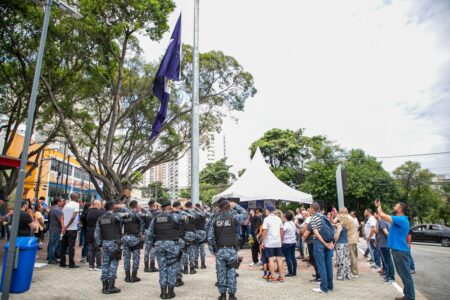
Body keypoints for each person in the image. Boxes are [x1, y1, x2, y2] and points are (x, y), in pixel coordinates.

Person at [207, 198, 248, 300]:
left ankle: (222, 295)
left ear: (219, 208)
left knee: (221, 273)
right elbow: (245, 214)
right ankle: (232, 296)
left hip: (220, 250)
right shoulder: (234, 217)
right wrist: (236, 206)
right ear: (229, 207)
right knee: (231, 273)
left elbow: (210, 237)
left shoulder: (215, 219)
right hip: (232, 250)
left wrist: (213, 251)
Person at [375, 199, 415, 300]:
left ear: (400, 209)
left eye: (395, 206)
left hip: (400, 251)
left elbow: (383, 215)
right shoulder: (399, 219)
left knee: (406, 275)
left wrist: (379, 206)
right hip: (398, 250)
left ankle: (410, 297)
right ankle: (407, 295)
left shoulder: (401, 219)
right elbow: (384, 217)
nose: (393, 207)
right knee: (403, 274)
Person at [147, 200, 185, 299]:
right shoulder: (174, 216)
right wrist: (177, 210)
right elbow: (186, 218)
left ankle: (163, 293)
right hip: (172, 246)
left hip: (159, 246)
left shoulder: (155, 218)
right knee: (171, 269)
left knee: (162, 269)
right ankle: (171, 292)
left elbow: (150, 234)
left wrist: (149, 248)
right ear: (170, 207)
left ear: (161, 208)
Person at [95, 201, 122, 294]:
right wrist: (120, 207)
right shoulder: (116, 217)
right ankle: (111, 286)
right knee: (114, 264)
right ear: (113, 207)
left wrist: (100, 244)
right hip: (114, 243)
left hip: (105, 243)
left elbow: (97, 234)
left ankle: (104, 287)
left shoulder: (100, 218)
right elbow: (128, 213)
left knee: (105, 264)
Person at [310, 202, 334, 293]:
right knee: (328, 265)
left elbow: (316, 233)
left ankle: (323, 288)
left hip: (319, 243)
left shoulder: (314, 218)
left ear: (312, 209)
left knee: (321, 265)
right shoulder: (324, 217)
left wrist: (324, 243)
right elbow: (331, 229)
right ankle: (330, 286)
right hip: (328, 241)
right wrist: (329, 242)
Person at [122, 200, 145, 283]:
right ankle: (134, 276)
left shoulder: (125, 214)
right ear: (136, 206)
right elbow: (143, 223)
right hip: (135, 239)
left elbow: (121, 225)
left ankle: (127, 276)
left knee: (126, 258)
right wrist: (141, 235)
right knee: (136, 258)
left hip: (126, 238)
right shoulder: (137, 214)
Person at [261, 205, 284, 282]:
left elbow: (264, 231)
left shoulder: (266, 219)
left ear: (267, 210)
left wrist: (263, 241)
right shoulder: (279, 219)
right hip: (278, 241)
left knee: (271, 259)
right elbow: (281, 230)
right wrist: (281, 240)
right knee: (279, 259)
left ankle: (273, 276)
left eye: (266, 210)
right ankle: (281, 276)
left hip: (269, 242)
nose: (265, 212)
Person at [60, 192, 80, 268]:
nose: (78, 199)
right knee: (71, 247)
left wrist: (63, 227)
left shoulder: (66, 205)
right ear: (75, 198)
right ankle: (71, 263)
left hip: (65, 229)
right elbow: (73, 217)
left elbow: (62, 217)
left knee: (63, 246)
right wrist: (67, 226)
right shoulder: (76, 205)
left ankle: (62, 262)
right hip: (72, 228)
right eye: (78, 197)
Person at [375, 210, 395, 283]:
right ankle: (389, 275)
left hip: (384, 244)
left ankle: (391, 277)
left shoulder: (382, 221)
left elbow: (386, 232)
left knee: (387, 261)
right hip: (385, 244)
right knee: (387, 261)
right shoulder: (385, 221)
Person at [86, 200, 105, 271]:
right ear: (97, 204)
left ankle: (91, 265)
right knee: (98, 250)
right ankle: (98, 265)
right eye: (100, 204)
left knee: (90, 249)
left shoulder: (88, 212)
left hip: (89, 232)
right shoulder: (100, 212)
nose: (101, 206)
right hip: (97, 233)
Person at [334, 214, 352, 280]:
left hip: (340, 244)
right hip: (346, 244)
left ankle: (341, 275)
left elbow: (337, 235)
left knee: (341, 260)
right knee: (346, 259)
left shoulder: (340, 226)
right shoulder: (346, 226)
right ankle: (348, 275)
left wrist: (334, 242)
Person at [181, 201, 198, 274]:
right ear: (191, 206)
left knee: (184, 251)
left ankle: (185, 268)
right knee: (191, 251)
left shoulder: (181, 213)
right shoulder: (193, 213)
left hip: (182, 234)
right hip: (191, 233)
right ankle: (192, 268)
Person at [143, 199, 159, 272]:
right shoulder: (156, 213)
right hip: (153, 232)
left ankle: (146, 267)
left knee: (146, 249)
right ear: (154, 205)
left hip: (146, 231)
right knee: (153, 249)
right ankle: (152, 266)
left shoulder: (145, 212)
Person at [47, 198, 64, 264]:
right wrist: (63, 227)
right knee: (53, 244)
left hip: (52, 228)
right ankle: (51, 259)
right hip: (55, 229)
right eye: (62, 201)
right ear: (58, 202)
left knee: (51, 243)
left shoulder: (52, 209)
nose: (63, 203)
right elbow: (61, 220)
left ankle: (50, 257)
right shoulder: (57, 210)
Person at [282, 211, 297, 277]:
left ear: (285, 217)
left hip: (287, 242)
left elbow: (282, 232)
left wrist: (281, 240)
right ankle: (294, 272)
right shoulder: (292, 223)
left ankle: (290, 272)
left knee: (288, 257)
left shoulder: (286, 224)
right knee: (293, 257)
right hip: (293, 241)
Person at [346, 209, 359, 277]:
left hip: (351, 239)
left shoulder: (353, 220)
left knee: (353, 256)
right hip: (353, 239)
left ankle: (354, 272)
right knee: (353, 255)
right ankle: (354, 271)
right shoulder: (354, 220)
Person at [194, 203, 208, 269]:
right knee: (202, 249)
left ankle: (196, 264)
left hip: (195, 232)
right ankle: (203, 264)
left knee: (196, 249)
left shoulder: (193, 214)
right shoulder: (202, 213)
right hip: (202, 232)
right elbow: (207, 216)